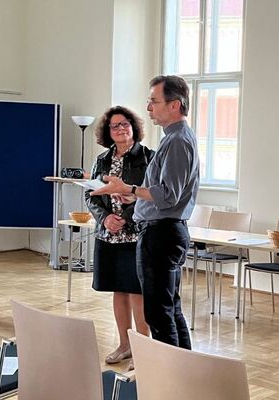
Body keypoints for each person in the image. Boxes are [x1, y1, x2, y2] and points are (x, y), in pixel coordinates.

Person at [91, 75, 200, 349]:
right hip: (162, 230)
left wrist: (130, 188)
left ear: (174, 105)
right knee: (168, 309)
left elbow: (168, 195)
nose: (149, 107)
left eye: (154, 101)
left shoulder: (177, 141)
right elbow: (160, 192)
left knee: (158, 313)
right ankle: (182, 368)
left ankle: (168, 372)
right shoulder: (173, 138)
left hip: (162, 233)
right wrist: (132, 194)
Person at [85, 106, 153, 364]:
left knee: (137, 292)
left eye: (125, 123)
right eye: (115, 126)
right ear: (108, 131)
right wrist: (105, 219)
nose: (121, 129)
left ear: (133, 126)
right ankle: (125, 345)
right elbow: (90, 194)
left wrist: (124, 217)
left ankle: (143, 350)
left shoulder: (148, 157)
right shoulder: (102, 160)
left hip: (136, 234)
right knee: (119, 290)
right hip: (108, 235)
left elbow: (149, 194)